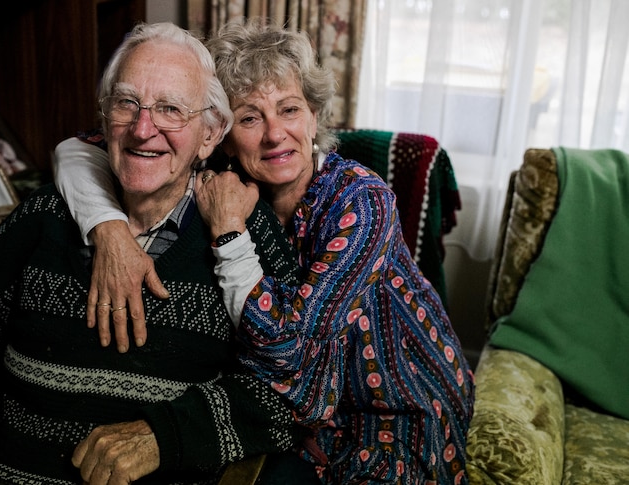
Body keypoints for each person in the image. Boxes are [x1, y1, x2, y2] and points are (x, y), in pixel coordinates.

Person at [53, 19, 476, 484]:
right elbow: (77, 149)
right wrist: (109, 229)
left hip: (399, 410)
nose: (275, 134)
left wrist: (230, 233)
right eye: (251, 118)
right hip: (306, 418)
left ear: (315, 116)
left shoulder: (361, 200)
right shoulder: (217, 169)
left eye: (290, 109)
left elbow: (290, 354)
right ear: (220, 134)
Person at [0, 21, 303, 485]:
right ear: (104, 120)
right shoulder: (43, 214)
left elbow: (286, 387)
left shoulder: (244, 229)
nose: (144, 129)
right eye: (127, 103)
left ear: (209, 135)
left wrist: (163, 437)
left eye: (170, 109)